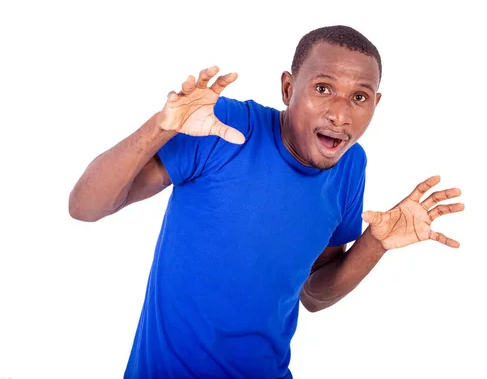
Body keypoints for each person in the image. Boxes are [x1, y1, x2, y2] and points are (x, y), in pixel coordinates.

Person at [69, 25, 464, 379]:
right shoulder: (225, 127)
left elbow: (315, 294)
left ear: (375, 104)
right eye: (323, 89)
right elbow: (85, 206)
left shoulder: (349, 166)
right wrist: (160, 127)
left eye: (359, 97)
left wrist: (375, 243)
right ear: (288, 89)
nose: (340, 114)